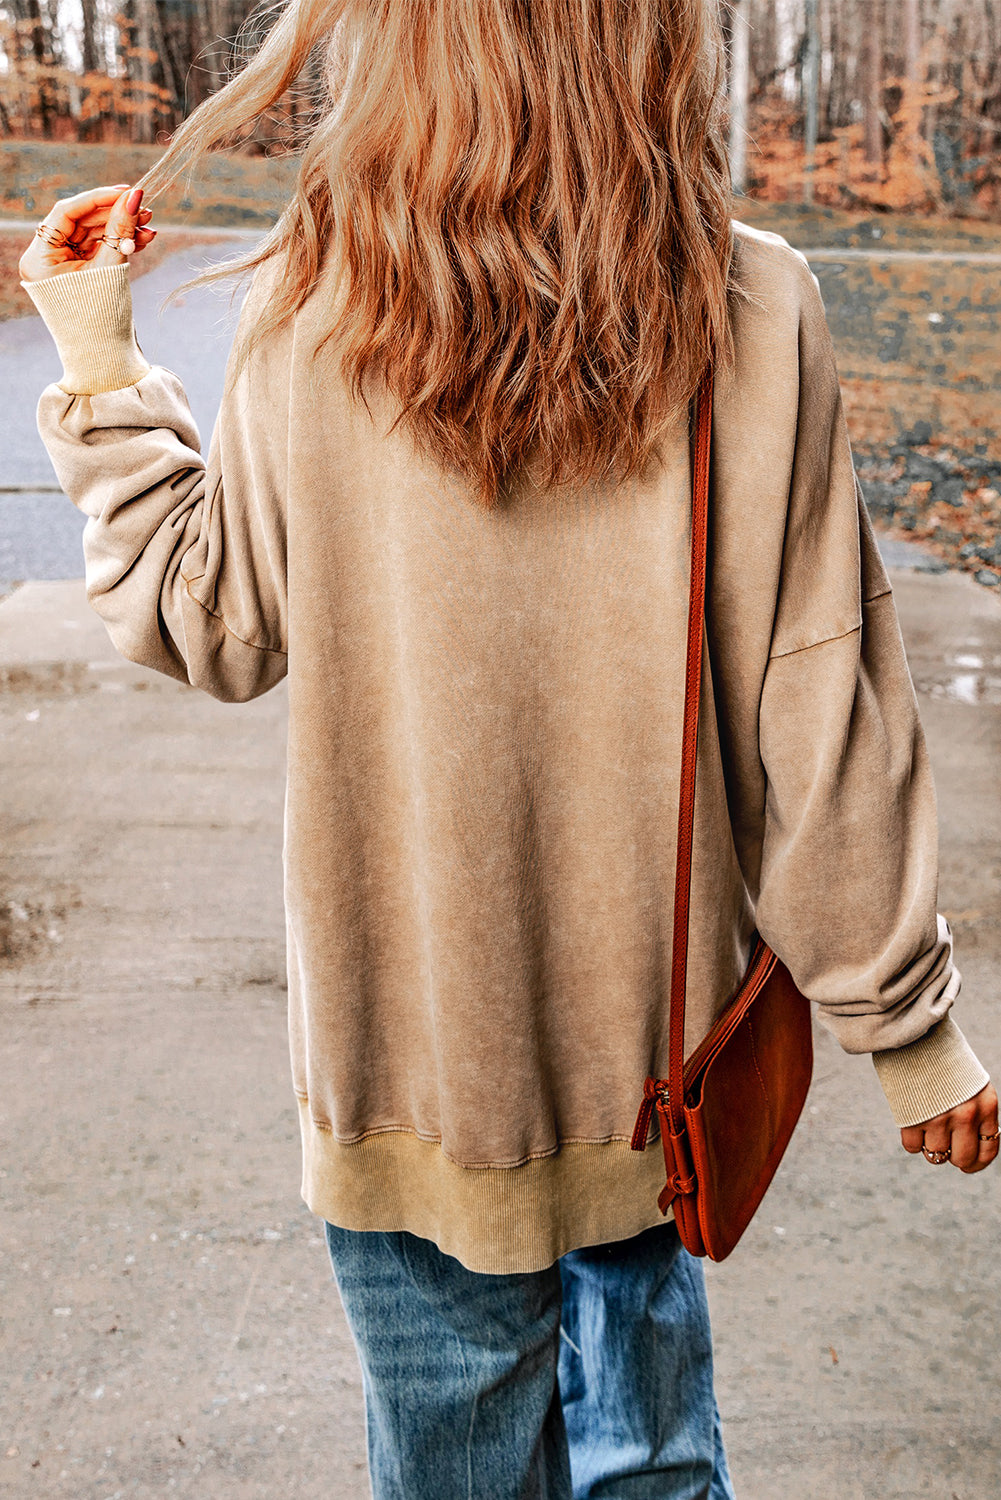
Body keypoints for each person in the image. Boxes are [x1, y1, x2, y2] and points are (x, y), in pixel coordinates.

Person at [17, 0, 998, 1494]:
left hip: (404, 1079)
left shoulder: (312, 310)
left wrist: (98, 369)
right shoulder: (749, 308)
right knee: (654, 1467)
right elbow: (816, 702)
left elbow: (200, 622)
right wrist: (905, 1028)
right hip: (650, 1079)